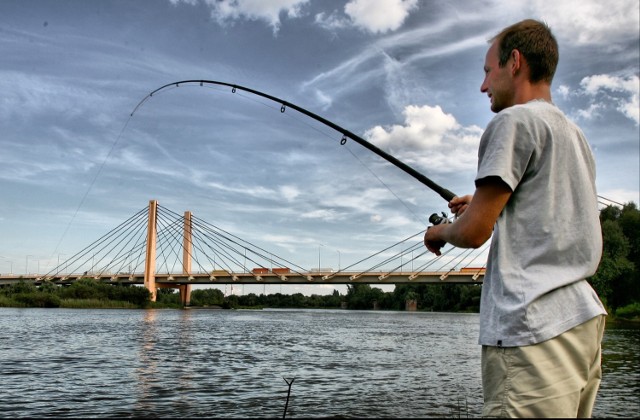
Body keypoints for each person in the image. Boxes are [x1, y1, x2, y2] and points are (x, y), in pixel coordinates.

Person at [424, 19, 607, 418]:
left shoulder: (512, 121)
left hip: (532, 328)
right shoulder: (574, 135)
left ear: (515, 62)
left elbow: (473, 233)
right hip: (581, 323)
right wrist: (483, 201)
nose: (483, 85)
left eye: (488, 71)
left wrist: (438, 231)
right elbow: (553, 210)